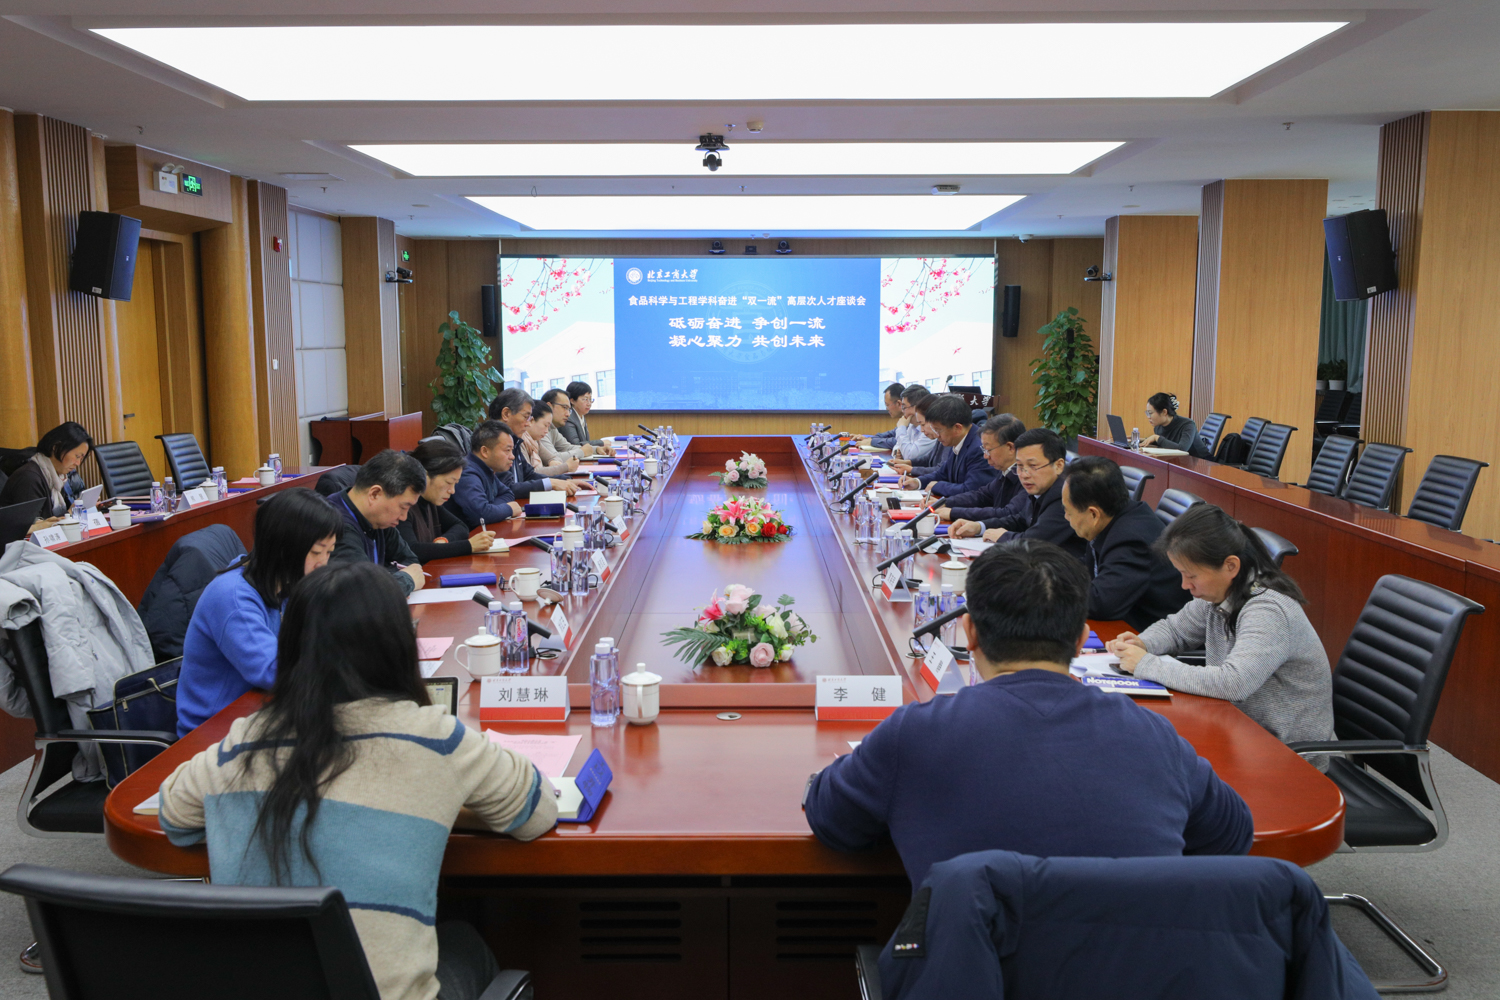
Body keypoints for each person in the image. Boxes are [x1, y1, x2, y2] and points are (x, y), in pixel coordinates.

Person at [157, 561, 558, 1000]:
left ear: (291, 647)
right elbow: (538, 811)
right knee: (464, 941)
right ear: (398, 645)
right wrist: (444, 805)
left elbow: (174, 817)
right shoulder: (435, 737)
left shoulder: (247, 738)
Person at [803, 539, 1253, 887]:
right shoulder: (1155, 735)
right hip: (1134, 969)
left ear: (969, 633)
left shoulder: (915, 733)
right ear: (1079, 640)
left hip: (972, 968)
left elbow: (832, 819)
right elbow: (1231, 836)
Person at [1105, 503, 1335, 746]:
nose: (1184, 585)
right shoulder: (1220, 593)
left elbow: (1234, 683)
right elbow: (1175, 630)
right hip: (1235, 727)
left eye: (1191, 576)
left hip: (1285, 750)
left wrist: (1146, 664)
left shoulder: (1268, 611)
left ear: (1230, 566)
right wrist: (1142, 643)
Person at [174, 488, 342, 737]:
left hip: (263, 714)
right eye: (317, 552)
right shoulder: (232, 597)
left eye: (329, 552)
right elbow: (274, 670)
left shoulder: (287, 582)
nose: (323, 563)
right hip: (213, 733)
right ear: (284, 548)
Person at [1060, 456, 1191, 630]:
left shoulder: (1131, 539)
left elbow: (1101, 602)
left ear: (1093, 514)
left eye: (1068, 512)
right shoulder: (1114, 517)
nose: (1065, 517)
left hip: (1150, 634)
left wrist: (1048, 590)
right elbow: (1087, 568)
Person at [951, 428, 1088, 564]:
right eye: (1020, 466)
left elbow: (1035, 542)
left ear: (1058, 465)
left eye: (1032, 466)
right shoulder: (1040, 487)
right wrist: (979, 526)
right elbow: (1020, 520)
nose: (1024, 475)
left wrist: (1003, 536)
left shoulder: (1065, 496)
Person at [326, 449, 427, 596]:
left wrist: (385, 579)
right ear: (374, 494)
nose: (404, 517)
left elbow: (410, 562)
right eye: (403, 507)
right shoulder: (336, 524)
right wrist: (406, 579)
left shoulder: (378, 519)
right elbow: (364, 593)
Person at [397, 440, 498, 564]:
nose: (452, 491)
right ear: (425, 476)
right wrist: (469, 546)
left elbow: (461, 526)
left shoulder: (431, 501)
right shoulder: (403, 506)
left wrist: (443, 540)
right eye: (449, 482)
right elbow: (412, 550)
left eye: (455, 484)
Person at [487, 389, 579, 500]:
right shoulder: (492, 443)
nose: (528, 424)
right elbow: (507, 488)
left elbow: (529, 475)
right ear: (506, 414)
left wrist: (565, 480)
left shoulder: (514, 440)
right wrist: (551, 483)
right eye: (526, 417)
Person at [935, 413, 1027, 525]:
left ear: (1010, 447)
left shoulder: (1027, 477)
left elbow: (1007, 513)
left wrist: (953, 512)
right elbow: (981, 496)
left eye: (988, 450)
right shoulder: (1005, 471)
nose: (985, 456)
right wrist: (946, 502)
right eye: (984, 450)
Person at [898, 394, 995, 498]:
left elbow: (971, 490)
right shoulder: (958, 440)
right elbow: (942, 473)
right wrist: (917, 482)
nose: (937, 435)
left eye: (938, 430)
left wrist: (938, 486)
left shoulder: (978, 448)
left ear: (957, 428)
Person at [0, 421, 92, 517]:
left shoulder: (58, 476)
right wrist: (71, 512)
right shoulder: (29, 478)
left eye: (81, 458)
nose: (78, 463)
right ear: (56, 447)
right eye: (77, 456)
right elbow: (34, 524)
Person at [448, 421, 527, 529]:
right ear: (485, 451)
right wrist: (508, 509)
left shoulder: (486, 468)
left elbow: (507, 493)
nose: (512, 456)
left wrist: (490, 508)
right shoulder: (467, 473)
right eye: (507, 450)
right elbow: (480, 515)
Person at [1141, 392, 1209, 457]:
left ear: (1164, 412)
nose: (1148, 417)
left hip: (1201, 462)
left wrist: (1157, 438)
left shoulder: (1188, 425)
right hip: (1179, 460)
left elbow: (1182, 449)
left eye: (1150, 413)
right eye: (1147, 413)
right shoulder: (1158, 427)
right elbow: (1166, 444)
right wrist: (1140, 440)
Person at [523, 399, 579, 478]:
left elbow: (553, 457)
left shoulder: (535, 441)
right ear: (531, 420)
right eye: (545, 425)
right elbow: (531, 473)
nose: (546, 431)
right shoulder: (520, 441)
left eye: (548, 426)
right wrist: (565, 467)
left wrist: (553, 462)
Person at [541, 387, 594, 460]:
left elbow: (567, 447)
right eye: (564, 407)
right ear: (549, 407)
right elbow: (554, 457)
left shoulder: (552, 428)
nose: (568, 414)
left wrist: (596, 449)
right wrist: (582, 452)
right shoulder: (539, 428)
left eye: (569, 409)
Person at [559, 380, 610, 451]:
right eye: (585, 399)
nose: (589, 403)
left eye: (590, 399)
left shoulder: (581, 416)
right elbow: (575, 445)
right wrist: (601, 443)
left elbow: (584, 442)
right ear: (572, 401)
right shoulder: (568, 418)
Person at [857, 383, 905, 449]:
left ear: (899, 404)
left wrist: (872, 442)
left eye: (887, 405)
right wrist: (868, 438)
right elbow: (891, 434)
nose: (886, 409)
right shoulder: (904, 420)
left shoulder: (913, 420)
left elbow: (896, 441)